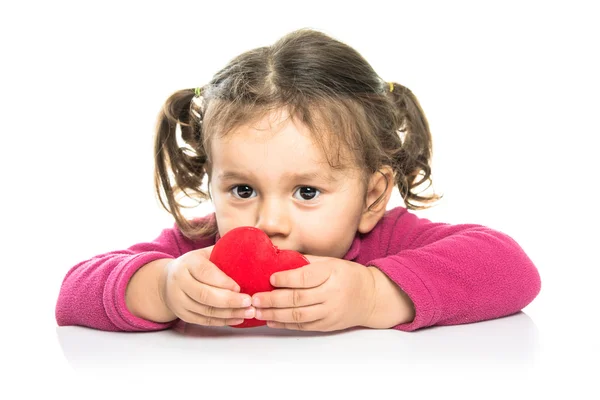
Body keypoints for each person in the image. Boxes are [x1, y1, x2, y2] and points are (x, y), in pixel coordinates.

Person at [55, 28, 541, 333]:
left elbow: (513, 270)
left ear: (372, 195)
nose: (268, 221)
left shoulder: (388, 242)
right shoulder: (196, 249)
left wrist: (374, 295)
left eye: (307, 192)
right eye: (242, 190)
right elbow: (72, 292)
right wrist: (160, 288)